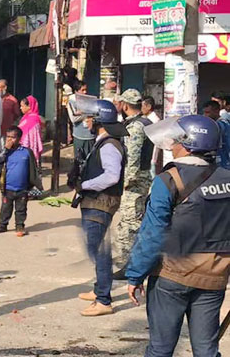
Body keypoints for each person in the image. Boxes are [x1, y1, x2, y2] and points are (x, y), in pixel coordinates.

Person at [126, 115, 229, 357]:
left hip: (172, 276)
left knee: (160, 349)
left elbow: (153, 234)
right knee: (206, 350)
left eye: (175, 141)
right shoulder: (227, 178)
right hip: (214, 277)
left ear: (187, 144)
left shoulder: (169, 180)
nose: (171, 146)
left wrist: (135, 274)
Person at [74, 98, 128, 317]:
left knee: (99, 251)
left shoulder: (109, 145)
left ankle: (104, 300)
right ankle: (99, 290)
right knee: (98, 247)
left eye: (88, 118)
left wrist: (85, 185)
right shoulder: (102, 141)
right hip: (96, 201)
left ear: (98, 120)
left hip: (101, 202)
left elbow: (112, 176)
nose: (86, 122)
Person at [113, 89, 154, 278]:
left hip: (134, 182)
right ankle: (129, 262)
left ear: (125, 105)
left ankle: (132, 266)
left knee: (131, 223)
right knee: (129, 222)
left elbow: (133, 158)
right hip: (140, 179)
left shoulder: (136, 126)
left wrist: (125, 183)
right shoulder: (142, 123)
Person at [0, 126, 42, 237]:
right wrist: (6, 149)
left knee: (21, 209)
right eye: (8, 137)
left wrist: (35, 184)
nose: (10, 140)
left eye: (13, 137)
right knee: (5, 208)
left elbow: (34, 169)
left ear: (19, 138)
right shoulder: (5, 152)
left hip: (22, 188)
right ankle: (2, 225)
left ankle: (19, 225)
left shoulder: (26, 152)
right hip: (7, 187)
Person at [67, 81, 95, 160]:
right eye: (82, 90)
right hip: (79, 136)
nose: (85, 92)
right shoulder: (72, 102)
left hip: (90, 136)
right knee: (79, 160)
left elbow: (95, 114)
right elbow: (73, 119)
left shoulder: (90, 101)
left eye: (86, 90)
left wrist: (83, 113)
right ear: (76, 91)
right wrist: (88, 112)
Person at [203, 100, 230, 170]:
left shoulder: (219, 125)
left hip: (222, 162)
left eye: (208, 112)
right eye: (204, 112)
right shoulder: (223, 123)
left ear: (216, 111)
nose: (205, 115)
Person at [17, 96, 43, 168]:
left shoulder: (33, 119)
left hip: (29, 148)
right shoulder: (27, 117)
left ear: (29, 106)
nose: (20, 108)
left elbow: (32, 136)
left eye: (22, 106)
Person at [142, 96, 162, 178]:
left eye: (142, 106)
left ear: (148, 107)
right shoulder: (146, 119)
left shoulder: (154, 120)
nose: (141, 108)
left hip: (151, 156)